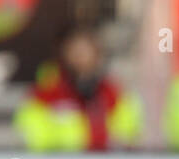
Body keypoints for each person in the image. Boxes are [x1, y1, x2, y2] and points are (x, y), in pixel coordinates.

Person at [14, 24, 142, 152]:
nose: (81, 57)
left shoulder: (113, 92)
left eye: (86, 51)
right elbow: (30, 134)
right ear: (64, 54)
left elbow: (128, 136)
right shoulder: (45, 94)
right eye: (75, 51)